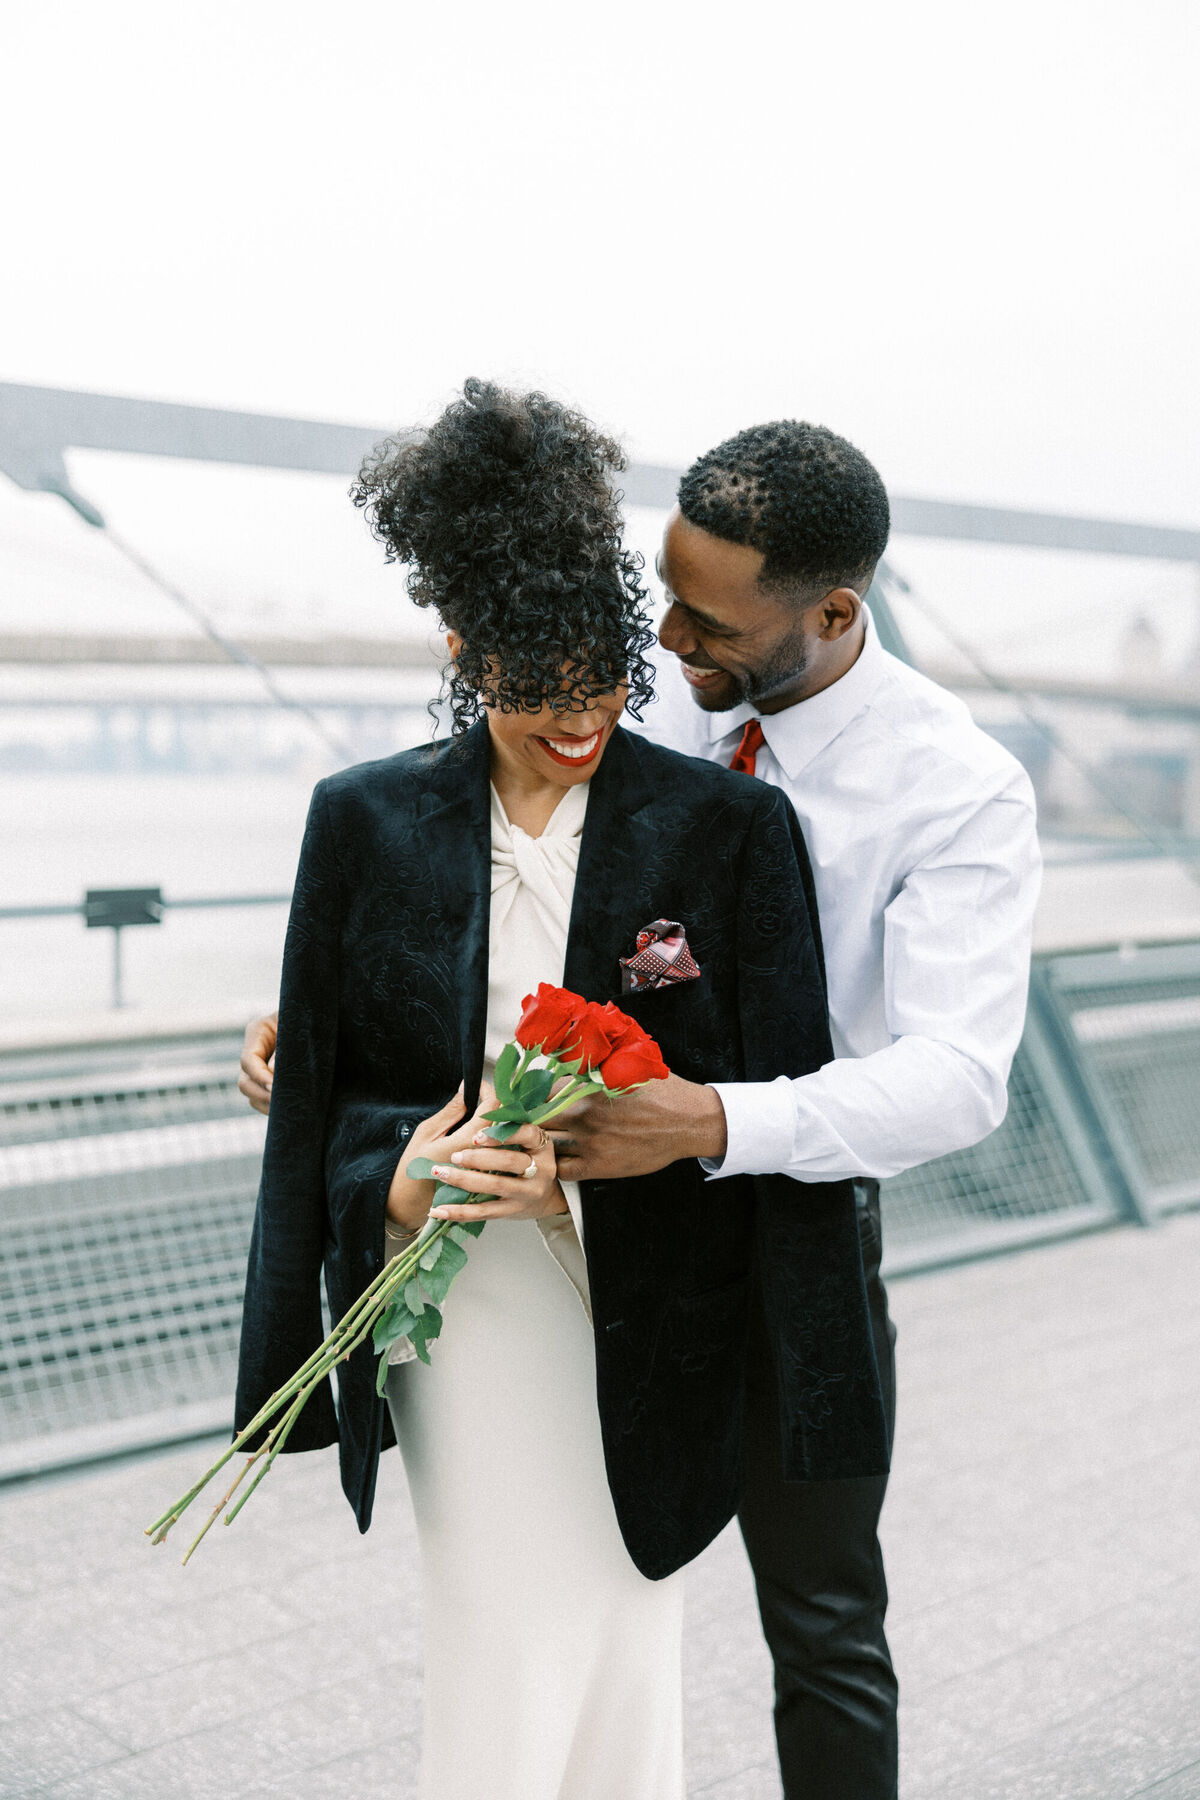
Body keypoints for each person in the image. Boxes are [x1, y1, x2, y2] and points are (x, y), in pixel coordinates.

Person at [241, 414, 1040, 1800]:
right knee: (566, 1611)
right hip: (593, 1250)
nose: (664, 648)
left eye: (703, 621)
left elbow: (962, 1077)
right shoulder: (651, 691)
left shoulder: (956, 787)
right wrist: (340, 1009)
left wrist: (711, 1122)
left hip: (788, 1234)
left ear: (833, 614)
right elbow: (494, 798)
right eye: (657, 602)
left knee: (826, 1624)